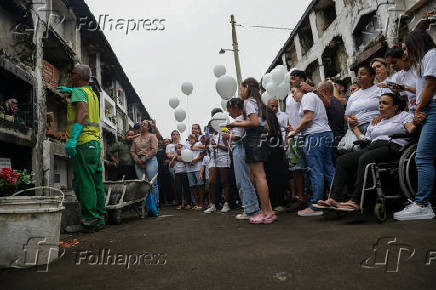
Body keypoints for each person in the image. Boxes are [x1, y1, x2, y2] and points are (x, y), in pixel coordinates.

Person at [317, 93, 416, 211]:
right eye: (380, 103)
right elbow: (365, 139)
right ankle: (334, 198)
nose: (381, 106)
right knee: (343, 160)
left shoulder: (404, 116)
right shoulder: (376, 122)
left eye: (385, 103)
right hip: (373, 146)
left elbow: (411, 129)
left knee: (366, 158)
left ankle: (355, 200)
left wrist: (418, 122)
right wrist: (355, 129)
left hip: (393, 147)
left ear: (395, 107)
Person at [394, 31, 436, 220]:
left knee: (423, 157)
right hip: (428, 108)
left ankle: (422, 204)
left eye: (405, 48)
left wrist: (419, 106)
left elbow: (431, 85)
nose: (404, 52)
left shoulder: (431, 55)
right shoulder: (425, 59)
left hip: (431, 108)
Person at [60, 64, 105, 232]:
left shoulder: (79, 91)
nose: (71, 77)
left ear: (78, 76)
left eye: (72, 74)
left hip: (83, 142)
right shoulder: (91, 93)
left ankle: (88, 220)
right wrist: (71, 92)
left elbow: (83, 112)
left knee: (84, 182)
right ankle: (99, 218)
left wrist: (72, 138)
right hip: (94, 144)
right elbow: (86, 105)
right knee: (95, 182)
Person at [227, 77, 276, 224]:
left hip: (253, 138)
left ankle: (266, 212)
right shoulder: (259, 102)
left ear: (246, 86)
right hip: (260, 138)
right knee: (259, 176)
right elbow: (265, 125)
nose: (240, 91)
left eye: (241, 88)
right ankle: (268, 210)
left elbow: (254, 122)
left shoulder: (248, 102)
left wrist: (236, 123)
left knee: (259, 176)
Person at [288, 82, 335, 216]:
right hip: (325, 133)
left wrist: (295, 131)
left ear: (301, 90)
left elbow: (308, 117)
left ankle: (316, 205)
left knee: (316, 170)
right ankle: (337, 198)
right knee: (328, 169)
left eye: (294, 91)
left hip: (315, 136)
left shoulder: (307, 97)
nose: (293, 95)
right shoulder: (314, 97)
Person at [223, 98, 260, 219]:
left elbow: (237, 137)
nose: (229, 113)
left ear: (234, 108)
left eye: (229, 110)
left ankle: (250, 209)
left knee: (242, 180)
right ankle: (251, 207)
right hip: (242, 149)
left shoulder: (239, 119)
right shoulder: (244, 119)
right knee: (246, 179)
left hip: (239, 149)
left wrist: (227, 135)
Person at [285, 70, 311, 212]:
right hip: (294, 137)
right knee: (296, 168)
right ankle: (301, 198)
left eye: (294, 77)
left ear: (302, 79)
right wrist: (289, 131)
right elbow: (290, 116)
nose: (291, 79)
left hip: (307, 134)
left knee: (311, 166)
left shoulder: (307, 94)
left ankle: (314, 197)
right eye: (290, 77)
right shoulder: (289, 97)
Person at [345, 65, 391, 140]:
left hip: (375, 125)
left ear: (371, 76)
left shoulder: (380, 89)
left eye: (363, 74)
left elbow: (391, 107)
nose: (359, 76)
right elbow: (346, 115)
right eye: (358, 74)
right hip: (355, 129)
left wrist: (381, 117)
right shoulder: (353, 96)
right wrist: (349, 120)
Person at [199, 125, 232, 214]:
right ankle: (212, 205)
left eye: (212, 125)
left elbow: (228, 148)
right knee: (211, 182)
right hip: (213, 160)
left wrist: (218, 146)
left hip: (223, 158)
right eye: (210, 126)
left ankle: (226, 204)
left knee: (224, 181)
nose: (210, 127)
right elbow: (208, 148)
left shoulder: (224, 133)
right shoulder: (210, 136)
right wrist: (207, 140)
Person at [266, 98, 291, 212]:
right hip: (271, 151)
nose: (275, 108)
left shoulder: (283, 117)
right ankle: (274, 202)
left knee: (278, 177)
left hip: (278, 150)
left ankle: (280, 202)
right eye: (272, 106)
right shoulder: (265, 117)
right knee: (271, 177)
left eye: (276, 106)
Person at [130, 119, 159, 214]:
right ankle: (146, 207)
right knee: (142, 185)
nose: (141, 125)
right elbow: (132, 151)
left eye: (144, 124)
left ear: (148, 127)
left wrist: (144, 160)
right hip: (138, 162)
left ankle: (155, 206)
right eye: (141, 124)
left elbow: (154, 150)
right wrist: (138, 161)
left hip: (150, 160)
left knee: (152, 183)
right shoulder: (136, 139)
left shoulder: (152, 136)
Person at [385, 46, 417, 113]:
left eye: (394, 62)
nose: (392, 66)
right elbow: (405, 98)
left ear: (403, 57)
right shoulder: (398, 76)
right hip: (413, 110)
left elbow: (430, 89)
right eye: (390, 64)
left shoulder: (417, 68)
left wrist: (407, 88)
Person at [166, 130, 191, 209]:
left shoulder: (184, 144)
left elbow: (188, 156)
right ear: (171, 136)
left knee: (186, 187)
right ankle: (180, 203)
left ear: (179, 135)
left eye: (177, 134)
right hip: (176, 169)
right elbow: (168, 156)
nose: (175, 136)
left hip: (185, 169)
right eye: (173, 134)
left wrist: (178, 155)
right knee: (178, 188)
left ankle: (188, 203)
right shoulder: (169, 146)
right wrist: (177, 154)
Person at [186, 134, 205, 210]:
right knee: (192, 186)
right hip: (189, 169)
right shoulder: (186, 145)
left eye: (193, 137)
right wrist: (188, 161)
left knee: (200, 185)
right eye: (190, 138)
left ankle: (201, 203)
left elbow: (203, 154)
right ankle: (196, 203)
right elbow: (183, 155)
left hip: (198, 167)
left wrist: (196, 160)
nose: (191, 139)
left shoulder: (199, 144)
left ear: (196, 138)